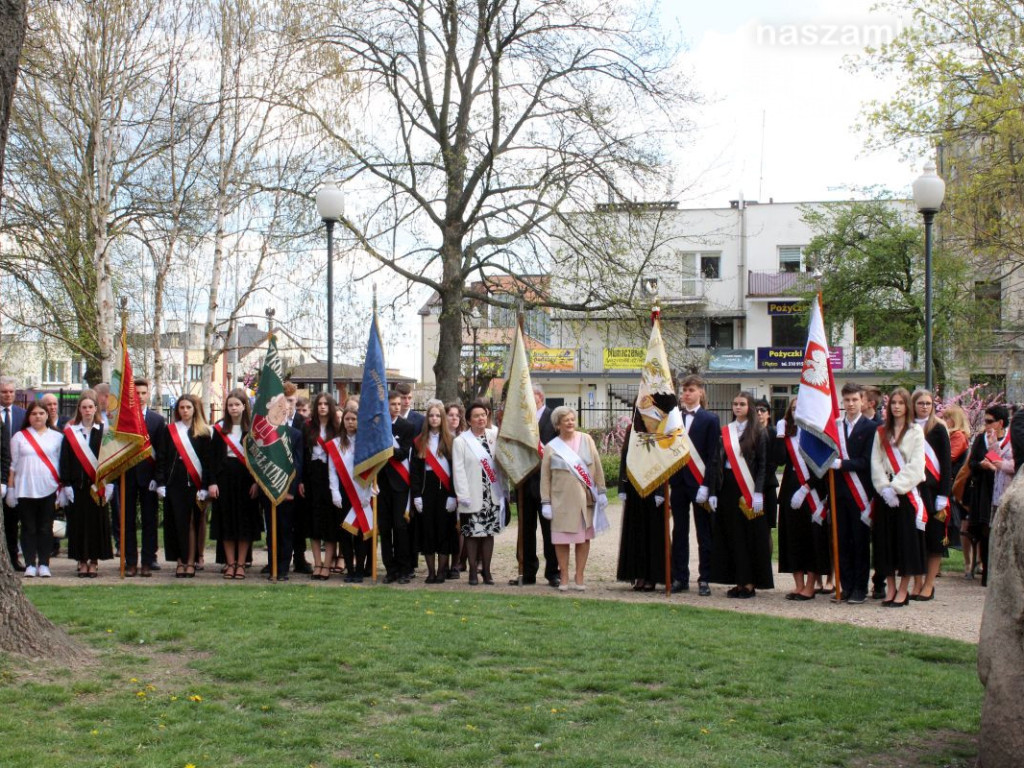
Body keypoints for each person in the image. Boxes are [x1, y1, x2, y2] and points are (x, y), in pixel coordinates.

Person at [710, 391, 772, 598]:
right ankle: (738, 580)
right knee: (732, 535)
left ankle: (750, 583)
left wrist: (758, 493)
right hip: (728, 486)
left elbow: (763, 465)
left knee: (749, 537)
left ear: (750, 407)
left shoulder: (759, 432)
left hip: (748, 487)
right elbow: (717, 462)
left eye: (742, 404)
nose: (737, 407)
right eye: (735, 404)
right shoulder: (726, 431)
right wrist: (713, 490)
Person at [540, 405, 607, 592]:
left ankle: (579, 574)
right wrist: (545, 502)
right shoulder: (552, 447)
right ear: (558, 424)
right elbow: (545, 477)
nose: (570, 423)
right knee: (561, 540)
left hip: (584, 500)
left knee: (582, 539)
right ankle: (564, 575)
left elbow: (597, 466)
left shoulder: (586, 440)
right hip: (561, 501)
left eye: (572, 419)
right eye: (566, 420)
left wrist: (601, 491)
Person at [870, 387, 926, 607]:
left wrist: (896, 487)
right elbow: (875, 461)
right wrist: (884, 488)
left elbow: (916, 464)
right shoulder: (881, 432)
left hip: (905, 493)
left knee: (905, 542)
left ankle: (903, 589)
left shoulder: (915, 432)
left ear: (907, 406)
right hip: (885, 495)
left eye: (901, 403)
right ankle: (890, 587)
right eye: (893, 403)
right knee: (885, 543)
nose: (896, 407)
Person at [667, 375, 721, 596]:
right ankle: (681, 577)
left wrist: (707, 486)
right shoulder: (674, 419)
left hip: (699, 484)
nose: (686, 394)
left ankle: (705, 578)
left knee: (704, 532)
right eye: (684, 390)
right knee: (679, 532)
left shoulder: (710, 419)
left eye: (690, 390)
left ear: (700, 392)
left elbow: (713, 456)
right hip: (679, 483)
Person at [775, 398, 830, 601]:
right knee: (792, 537)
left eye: (801, 408)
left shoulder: (816, 434)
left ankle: (810, 586)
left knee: (812, 538)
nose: (797, 411)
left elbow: (822, 466)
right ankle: (798, 585)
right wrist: (780, 435)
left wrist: (807, 487)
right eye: (794, 408)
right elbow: (780, 461)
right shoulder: (786, 432)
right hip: (791, 488)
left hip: (812, 490)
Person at [156, 394, 212, 578]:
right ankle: (179, 560)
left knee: (192, 523)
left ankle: (191, 561)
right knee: (175, 523)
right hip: (174, 483)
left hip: (194, 484)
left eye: (188, 407)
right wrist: (161, 482)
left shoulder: (203, 433)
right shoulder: (170, 430)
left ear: (195, 409)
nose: (185, 411)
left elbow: (206, 461)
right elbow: (162, 458)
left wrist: (204, 486)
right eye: (182, 407)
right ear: (177, 410)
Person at [830, 383, 876, 604]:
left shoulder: (870, 428)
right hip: (839, 493)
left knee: (859, 542)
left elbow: (867, 462)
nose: (850, 404)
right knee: (842, 541)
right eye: (847, 400)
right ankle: (845, 585)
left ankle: (860, 587)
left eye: (854, 400)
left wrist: (842, 464)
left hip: (860, 493)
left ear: (863, 401)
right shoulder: (836, 426)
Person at [59, 392, 113, 577]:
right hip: (78, 486)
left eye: (91, 407)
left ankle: (94, 561)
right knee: (79, 524)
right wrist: (66, 484)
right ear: (79, 410)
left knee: (96, 524)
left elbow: (109, 459)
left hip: (98, 486)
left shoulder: (104, 431)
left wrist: (108, 483)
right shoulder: (71, 433)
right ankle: (82, 560)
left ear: (96, 409)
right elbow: (64, 459)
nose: (88, 410)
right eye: (84, 407)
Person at [6, 401, 63, 577]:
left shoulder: (57, 437)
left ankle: (44, 563)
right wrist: (10, 489)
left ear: (47, 415)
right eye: (34, 414)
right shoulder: (19, 437)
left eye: (41, 413)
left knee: (46, 528)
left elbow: (62, 464)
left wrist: (62, 490)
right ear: (28, 417)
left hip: (49, 487)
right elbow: (13, 465)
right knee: (28, 528)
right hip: (24, 488)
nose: (38, 416)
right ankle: (30, 563)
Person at [452, 400, 506, 586]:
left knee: (488, 534)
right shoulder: (461, 441)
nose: (481, 418)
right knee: (472, 535)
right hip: (472, 494)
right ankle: (473, 571)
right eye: (476, 416)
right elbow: (458, 470)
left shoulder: (495, 435)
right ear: (468, 420)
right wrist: (462, 494)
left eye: (483, 415)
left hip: (491, 493)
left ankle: (487, 572)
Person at [209, 389, 261, 580]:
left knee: (244, 523)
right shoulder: (219, 428)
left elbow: (258, 459)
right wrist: (212, 482)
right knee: (227, 523)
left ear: (244, 406)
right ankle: (230, 564)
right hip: (224, 479)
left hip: (246, 479)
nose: (233, 408)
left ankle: (241, 563)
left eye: (237, 404)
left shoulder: (253, 429)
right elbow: (212, 460)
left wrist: (257, 482)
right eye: (230, 405)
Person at [511, 384, 559, 588]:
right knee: (526, 531)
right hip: (524, 483)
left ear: (538, 396)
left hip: (546, 484)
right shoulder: (520, 421)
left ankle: (553, 572)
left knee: (550, 531)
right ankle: (528, 571)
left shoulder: (553, 417)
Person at [910, 389, 951, 601]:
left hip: (934, 492)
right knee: (917, 538)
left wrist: (944, 494)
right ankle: (917, 582)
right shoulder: (907, 428)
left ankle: (929, 584)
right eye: (921, 403)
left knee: (935, 539)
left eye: (928, 403)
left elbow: (945, 464)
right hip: (914, 490)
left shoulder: (939, 429)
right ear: (914, 405)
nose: (925, 406)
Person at [122, 379, 166, 576]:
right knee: (128, 521)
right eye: (136, 393)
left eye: (143, 393)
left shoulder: (157, 420)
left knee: (149, 521)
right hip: (128, 476)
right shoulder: (123, 419)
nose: (139, 397)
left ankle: (148, 561)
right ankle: (131, 561)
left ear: (148, 394)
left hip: (149, 477)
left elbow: (162, 452)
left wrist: (158, 479)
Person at [410, 400, 457, 583]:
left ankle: (441, 572)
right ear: (427, 418)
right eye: (431, 415)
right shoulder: (419, 441)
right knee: (428, 530)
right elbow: (414, 471)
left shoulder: (451, 441)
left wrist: (453, 494)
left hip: (445, 490)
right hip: (426, 489)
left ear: (442, 418)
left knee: (444, 530)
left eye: (438, 415)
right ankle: (430, 572)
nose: (434, 418)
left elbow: (456, 470)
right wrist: (416, 495)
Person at [966, 404, 1013, 587]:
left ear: (1000, 423)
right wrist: (981, 465)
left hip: (1003, 488)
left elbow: (1007, 463)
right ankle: (986, 572)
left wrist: (996, 463)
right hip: (984, 490)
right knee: (985, 530)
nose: (986, 425)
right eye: (984, 421)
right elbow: (972, 462)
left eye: (990, 421)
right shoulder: (981, 439)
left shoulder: (1010, 440)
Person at [615, 424, 666, 590]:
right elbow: (625, 457)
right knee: (636, 532)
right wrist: (622, 487)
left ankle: (652, 576)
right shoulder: (632, 429)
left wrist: (661, 490)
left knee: (652, 532)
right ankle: (639, 574)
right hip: (634, 486)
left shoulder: (661, 428)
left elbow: (663, 460)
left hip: (653, 486)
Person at [327, 404, 371, 582]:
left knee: (361, 534)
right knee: (345, 534)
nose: (351, 422)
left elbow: (372, 470)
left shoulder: (366, 443)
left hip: (363, 494)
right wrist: (334, 492)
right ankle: (350, 570)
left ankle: (360, 570)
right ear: (342, 421)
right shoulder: (336, 443)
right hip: (344, 494)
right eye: (347, 419)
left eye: (354, 419)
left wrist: (369, 493)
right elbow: (332, 470)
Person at [379, 390, 416, 583]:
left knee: (400, 526)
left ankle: (404, 568)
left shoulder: (407, 426)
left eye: (398, 404)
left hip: (400, 484)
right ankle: (390, 568)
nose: (395, 407)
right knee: (384, 528)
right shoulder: (377, 426)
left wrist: (385, 449)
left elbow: (403, 454)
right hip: (381, 483)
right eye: (392, 404)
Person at [304, 393, 339, 580]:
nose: (322, 407)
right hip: (312, 478)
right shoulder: (308, 427)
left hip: (331, 477)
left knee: (330, 522)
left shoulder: (337, 428)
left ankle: (327, 565)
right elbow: (303, 454)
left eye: (326, 404)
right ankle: (317, 563)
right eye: (319, 404)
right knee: (314, 522)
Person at [942, 405, 972, 574]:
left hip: (952, 484)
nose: (945, 421)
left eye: (947, 418)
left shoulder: (957, 436)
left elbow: (949, 457)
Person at [1, 376, 27, 571]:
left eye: (11, 391)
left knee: (12, 521)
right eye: (4, 392)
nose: (8, 395)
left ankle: (13, 558)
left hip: (17, 475)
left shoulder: (21, 414)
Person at [445, 401, 467, 577]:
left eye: (457, 415)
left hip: (460, 487)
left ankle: (456, 563)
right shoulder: (439, 437)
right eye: (450, 415)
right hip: (443, 487)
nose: (454, 418)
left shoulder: (465, 438)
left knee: (459, 527)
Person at [755, 398, 779, 533]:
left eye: (762, 410)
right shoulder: (748, 433)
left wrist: (760, 483)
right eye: (756, 410)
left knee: (766, 529)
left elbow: (774, 462)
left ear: (768, 414)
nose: (759, 413)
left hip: (768, 485)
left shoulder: (773, 433)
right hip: (749, 485)